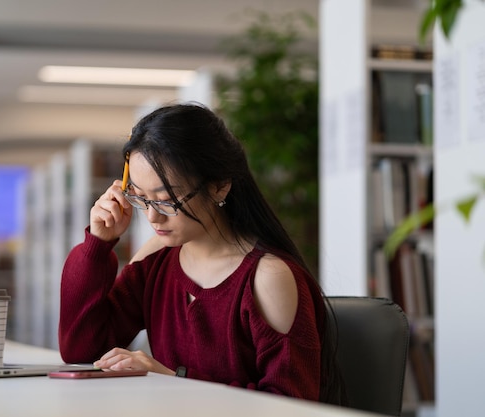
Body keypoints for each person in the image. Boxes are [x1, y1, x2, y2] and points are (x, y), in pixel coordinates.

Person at [58, 103, 345, 403]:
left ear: (220, 187)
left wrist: (173, 381)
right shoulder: (157, 258)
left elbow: (291, 405)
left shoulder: (267, 278)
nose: (153, 218)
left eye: (167, 200)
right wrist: (97, 246)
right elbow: (81, 351)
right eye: (140, 198)